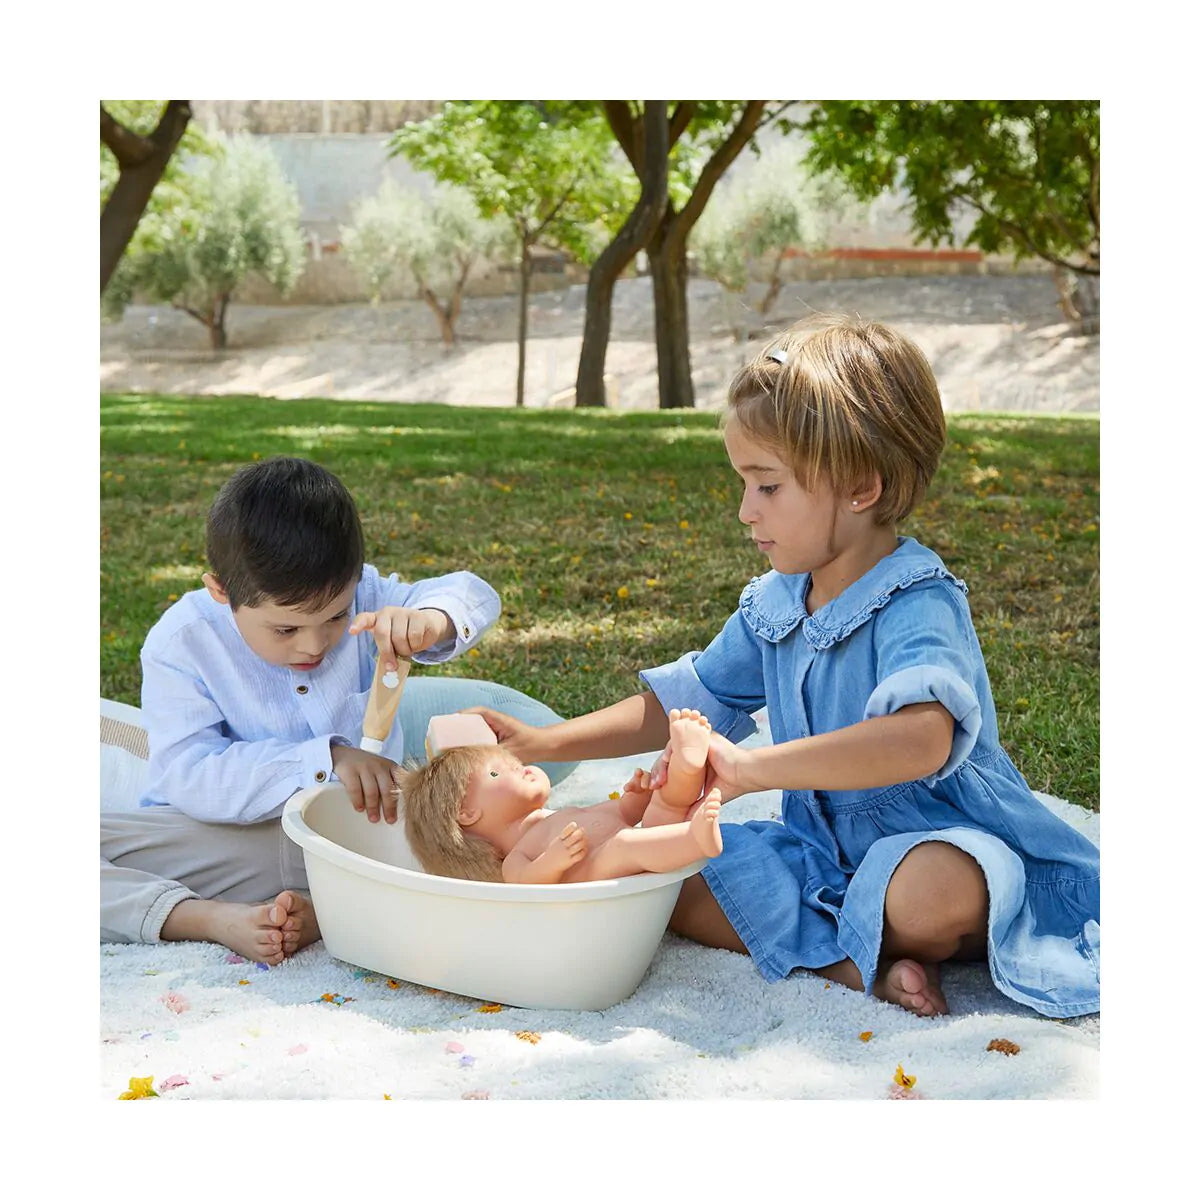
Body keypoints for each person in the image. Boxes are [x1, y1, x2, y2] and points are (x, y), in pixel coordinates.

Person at [467, 315, 1100, 1020]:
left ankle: (879, 938)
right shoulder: (776, 602)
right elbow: (688, 698)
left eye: (767, 486)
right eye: (744, 484)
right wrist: (543, 742)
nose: (746, 511)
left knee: (931, 893)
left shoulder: (916, 601)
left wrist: (754, 769)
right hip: (818, 853)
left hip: (944, 839)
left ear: (860, 487)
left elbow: (922, 738)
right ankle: (857, 966)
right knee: (672, 875)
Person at [100, 456, 574, 964]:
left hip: (366, 833)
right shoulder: (181, 643)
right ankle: (207, 918)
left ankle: (326, 909)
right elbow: (189, 775)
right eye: (285, 629)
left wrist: (432, 620)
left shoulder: (366, 593)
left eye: (335, 617)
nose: (314, 645)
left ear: (355, 582)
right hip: (231, 842)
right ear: (221, 591)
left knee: (493, 844)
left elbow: (472, 593)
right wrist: (327, 759)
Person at [397, 708, 721, 884]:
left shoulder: (554, 818)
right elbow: (527, 883)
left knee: (664, 799)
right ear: (466, 812)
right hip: (607, 867)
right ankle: (694, 839)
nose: (519, 766)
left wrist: (635, 797)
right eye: (496, 773)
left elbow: (622, 815)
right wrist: (553, 861)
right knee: (625, 844)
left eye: (514, 761)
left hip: (643, 845)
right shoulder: (516, 859)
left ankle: (687, 764)